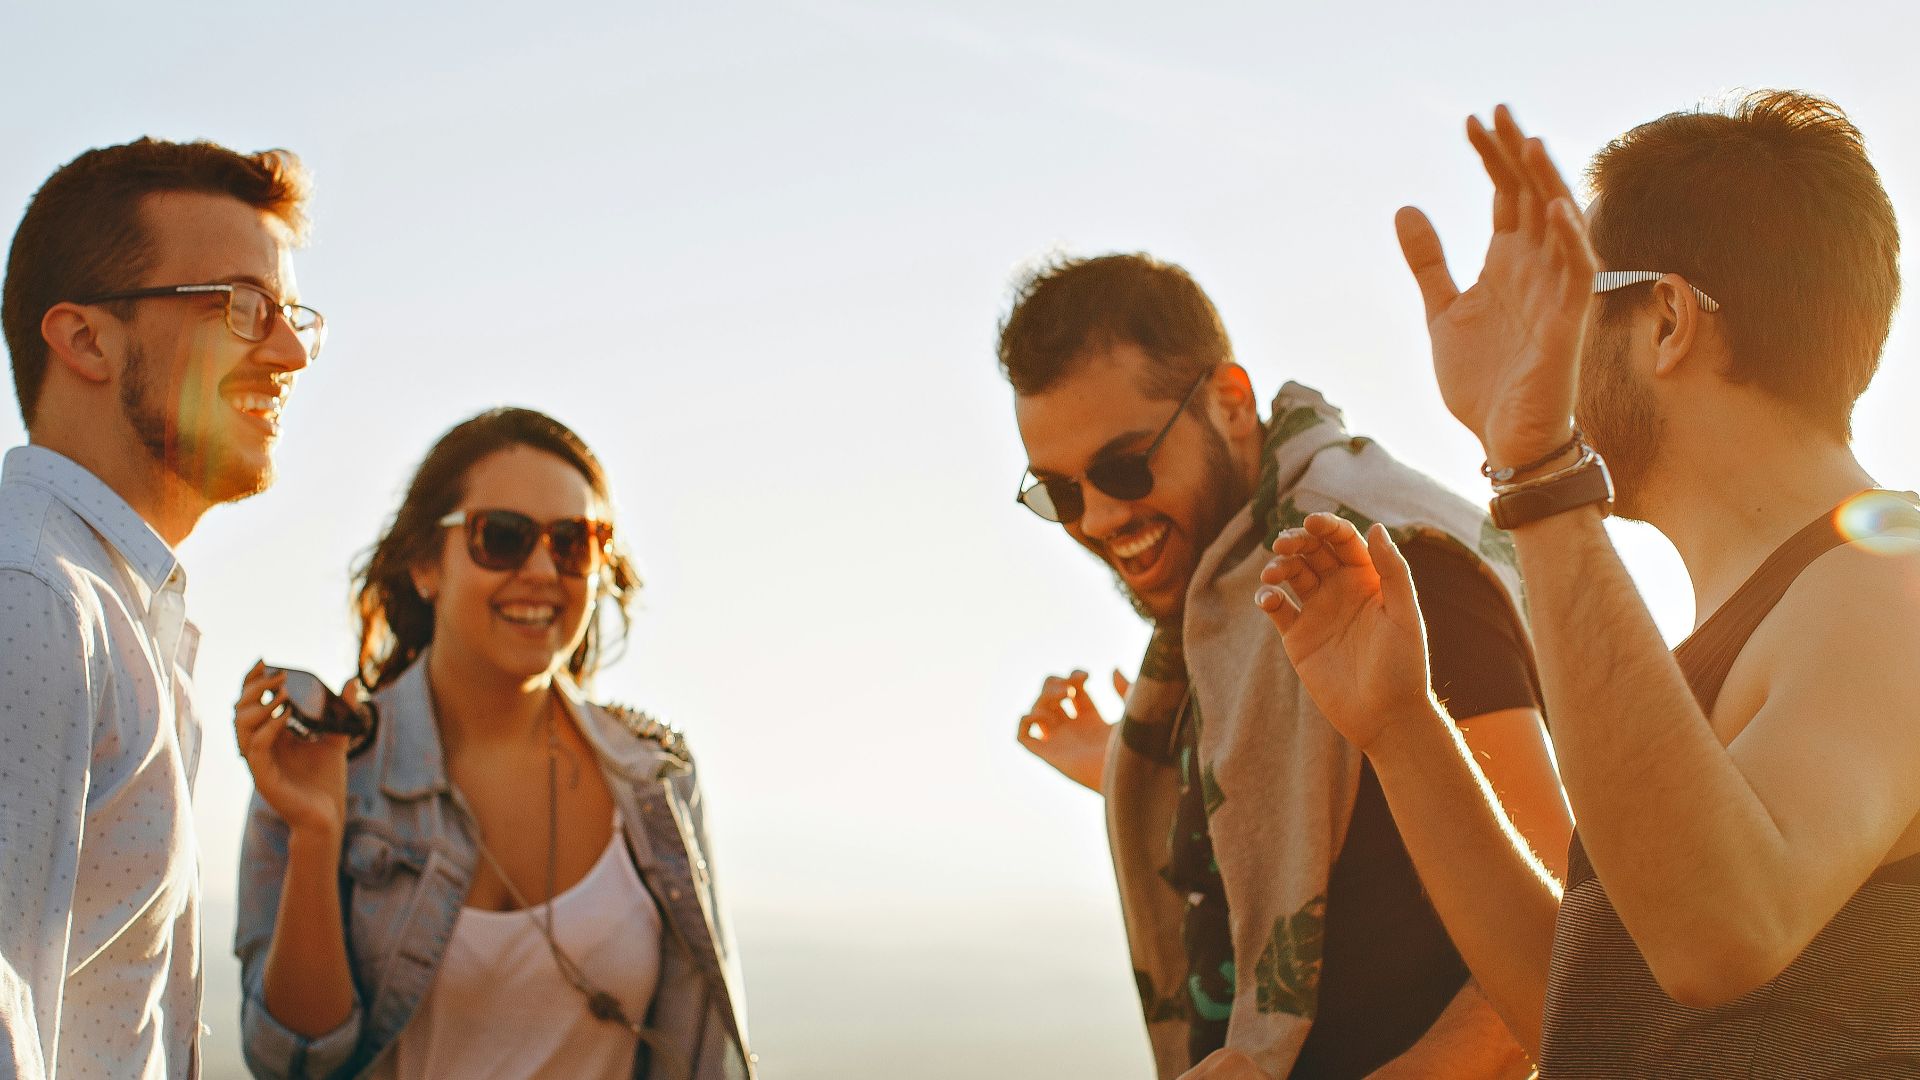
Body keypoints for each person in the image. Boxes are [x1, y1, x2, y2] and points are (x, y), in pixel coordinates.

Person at [1255, 93, 1920, 1076]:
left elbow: (1720, 935)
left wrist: (1534, 466)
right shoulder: (1785, 614)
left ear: (1665, 319)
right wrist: (1402, 727)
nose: (1546, 341)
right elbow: (1591, 1019)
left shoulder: (1890, 578)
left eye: (1573, 299)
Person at [1000, 253, 1570, 1078]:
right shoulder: (1230, 599)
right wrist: (1135, 766)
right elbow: (1320, 814)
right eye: (1057, 492)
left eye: (1125, 467)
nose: (1097, 517)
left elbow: (1568, 909)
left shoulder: (1391, 568)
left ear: (1230, 403)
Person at [232, 407, 753, 1079]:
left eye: (574, 542)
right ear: (426, 564)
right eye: (502, 538)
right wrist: (315, 831)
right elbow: (294, 1063)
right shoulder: (331, 763)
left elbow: (702, 1059)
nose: (542, 569)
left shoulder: (656, 780)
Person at [0, 138, 318, 1077]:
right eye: (241, 307)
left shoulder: (112, 606)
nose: (291, 351)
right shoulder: (38, 601)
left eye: (293, 313)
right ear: (86, 338)